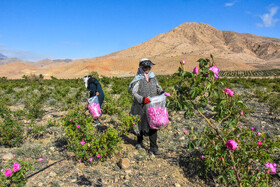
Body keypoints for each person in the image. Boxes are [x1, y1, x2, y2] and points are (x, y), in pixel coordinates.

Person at [128, 58, 165, 155]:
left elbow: (158, 87)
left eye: (148, 66)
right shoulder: (138, 79)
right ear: (141, 67)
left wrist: (162, 92)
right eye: (145, 67)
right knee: (139, 124)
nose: (147, 68)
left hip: (152, 107)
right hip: (140, 106)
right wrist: (142, 99)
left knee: (153, 125)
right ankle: (139, 142)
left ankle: (153, 147)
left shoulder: (153, 77)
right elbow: (134, 93)